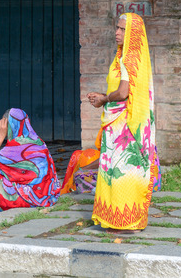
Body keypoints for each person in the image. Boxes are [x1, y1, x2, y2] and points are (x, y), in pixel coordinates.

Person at [61, 12, 161, 232]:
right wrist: (104, 97)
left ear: (133, 33)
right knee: (122, 170)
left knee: (120, 170)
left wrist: (104, 99)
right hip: (119, 124)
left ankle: (123, 220)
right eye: (117, 28)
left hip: (124, 126)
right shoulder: (125, 56)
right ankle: (126, 219)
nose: (117, 32)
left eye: (123, 29)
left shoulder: (129, 57)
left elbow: (124, 92)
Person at [0, 108, 61, 219]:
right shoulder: (37, 141)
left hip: (30, 198)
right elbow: (7, 169)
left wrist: (0, 137)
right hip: (47, 196)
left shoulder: (16, 146)